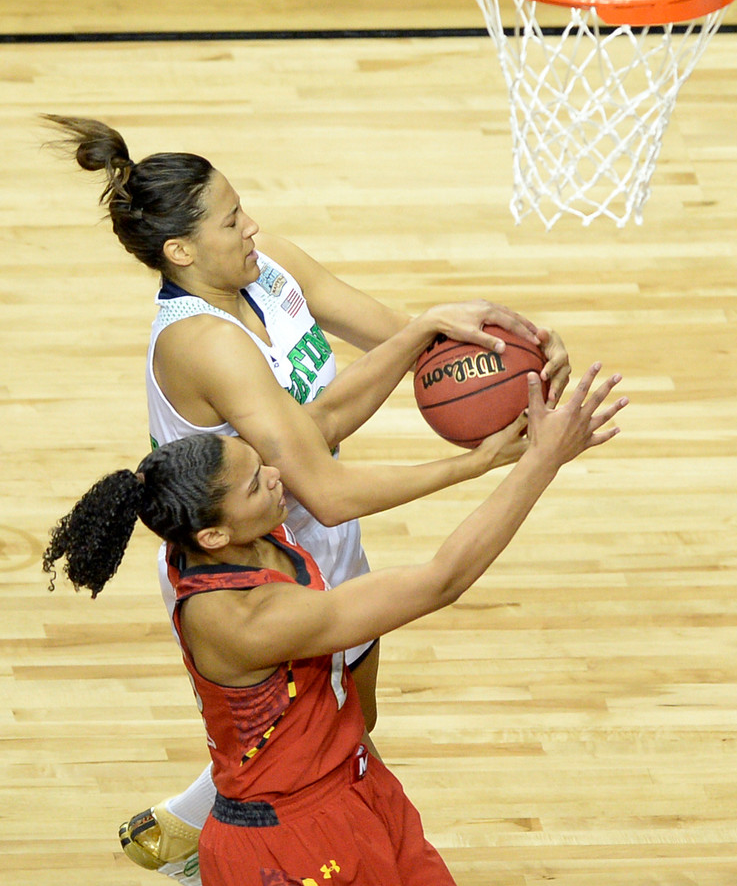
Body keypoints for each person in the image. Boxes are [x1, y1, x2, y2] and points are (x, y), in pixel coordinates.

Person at [43, 114, 572, 882]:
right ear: (180, 251)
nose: (251, 223)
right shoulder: (202, 341)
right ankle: (221, 833)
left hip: (314, 531)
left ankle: (197, 821)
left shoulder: (268, 265)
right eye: (230, 220)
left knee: (350, 723)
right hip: (248, 557)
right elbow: (319, 487)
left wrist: (514, 361)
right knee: (311, 749)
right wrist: (478, 466)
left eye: (242, 204)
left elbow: (372, 376)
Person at [43, 364, 626, 886]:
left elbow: (320, 421)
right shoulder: (246, 619)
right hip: (287, 842)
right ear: (213, 535)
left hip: (358, 785)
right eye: (256, 482)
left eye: (261, 464)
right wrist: (542, 461)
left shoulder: (217, 529)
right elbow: (440, 580)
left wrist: (478, 449)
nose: (277, 474)